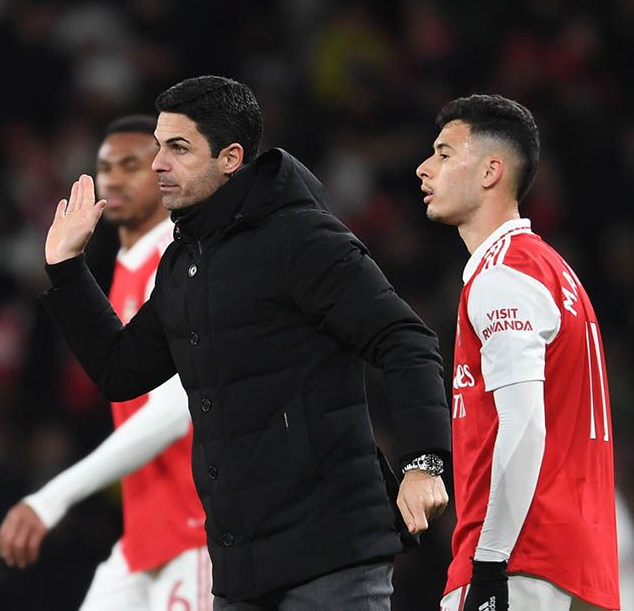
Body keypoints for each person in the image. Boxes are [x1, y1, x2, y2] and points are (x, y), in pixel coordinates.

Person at [39, 75, 452, 610]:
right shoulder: (184, 262)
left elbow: (405, 338)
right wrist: (67, 271)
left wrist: (426, 462)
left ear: (230, 158)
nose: (157, 163)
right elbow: (121, 372)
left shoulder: (303, 238)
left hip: (331, 556)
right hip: (240, 569)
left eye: (178, 148)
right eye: (157, 146)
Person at [417, 94, 620, 611]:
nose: (424, 169)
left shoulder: (503, 276)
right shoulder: (555, 272)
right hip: (581, 565)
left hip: (520, 560)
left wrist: (488, 565)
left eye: (443, 153)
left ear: (490, 171)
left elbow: (524, 424)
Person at [0, 115, 209, 609]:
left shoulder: (176, 264)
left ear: (164, 172)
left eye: (131, 164)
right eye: (105, 166)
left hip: (195, 526)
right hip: (145, 531)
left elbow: (176, 409)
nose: (113, 177)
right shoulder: (124, 269)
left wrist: (54, 496)